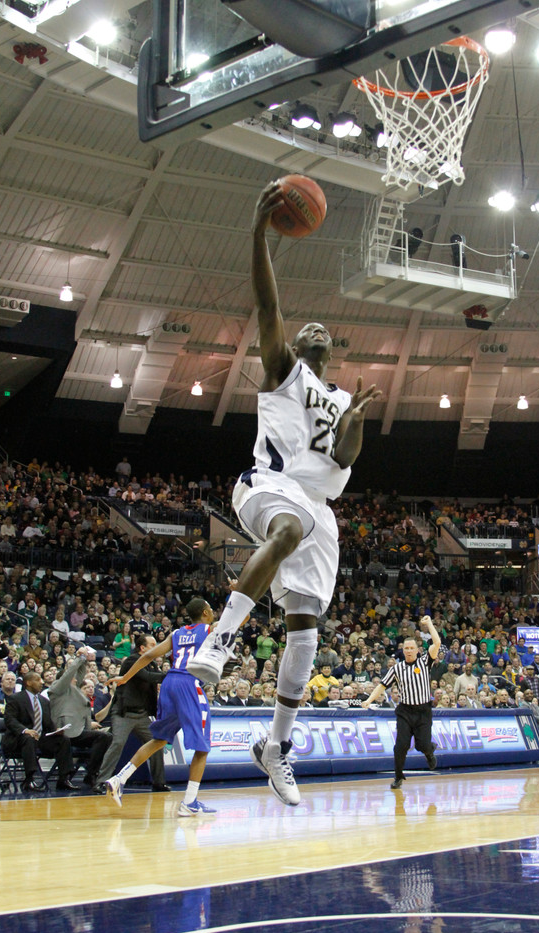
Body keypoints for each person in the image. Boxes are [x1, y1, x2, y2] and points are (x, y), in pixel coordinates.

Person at [185, 182, 381, 806]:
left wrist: (356, 426)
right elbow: (268, 303)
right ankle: (220, 641)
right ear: (296, 348)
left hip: (321, 512)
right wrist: (258, 235)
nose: (316, 327)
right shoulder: (283, 369)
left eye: (326, 329)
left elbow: (346, 460)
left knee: (307, 632)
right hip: (270, 487)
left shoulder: (345, 398)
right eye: (307, 328)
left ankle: (276, 747)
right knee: (290, 526)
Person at [105, 598, 217, 817]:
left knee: (159, 740)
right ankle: (190, 802)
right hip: (189, 683)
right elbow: (243, 618)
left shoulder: (176, 634)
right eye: (211, 610)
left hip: (169, 684)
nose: (213, 612)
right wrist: (237, 593)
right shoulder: (210, 629)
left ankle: (119, 779)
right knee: (202, 747)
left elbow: (147, 655)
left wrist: (125, 677)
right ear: (205, 612)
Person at [362, 615, 440, 789]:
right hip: (405, 711)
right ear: (403, 651)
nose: (409, 650)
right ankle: (398, 777)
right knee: (401, 746)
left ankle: (429, 751)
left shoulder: (425, 661)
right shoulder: (396, 668)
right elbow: (382, 686)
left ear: (417, 650)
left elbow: (437, 643)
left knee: (422, 745)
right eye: (406, 648)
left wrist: (429, 624)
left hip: (423, 711)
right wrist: (368, 700)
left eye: (412, 647)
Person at [93, 634, 169, 795]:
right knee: (117, 743)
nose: (156, 647)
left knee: (156, 744)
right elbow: (147, 677)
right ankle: (101, 782)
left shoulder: (152, 664)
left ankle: (159, 782)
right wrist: (171, 674)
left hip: (142, 715)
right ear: (142, 648)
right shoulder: (132, 660)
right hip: (124, 713)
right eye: (152, 644)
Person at [2, 670, 77, 791]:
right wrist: (25, 730)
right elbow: (10, 720)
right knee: (29, 738)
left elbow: (48, 723)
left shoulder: (44, 701)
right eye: (37, 680)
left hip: (40, 738)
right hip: (18, 739)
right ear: (28, 683)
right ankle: (29, 779)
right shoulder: (15, 699)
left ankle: (64, 778)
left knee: (63, 740)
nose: (41, 682)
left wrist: (56, 730)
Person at [48, 647, 112, 788]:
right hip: (64, 731)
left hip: (77, 730)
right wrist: (79, 657)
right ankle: (76, 776)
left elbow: (80, 673)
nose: (76, 679)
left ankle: (92, 774)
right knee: (102, 737)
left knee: (105, 737)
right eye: (72, 678)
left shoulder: (74, 690)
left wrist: (84, 660)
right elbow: (68, 674)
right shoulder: (57, 689)